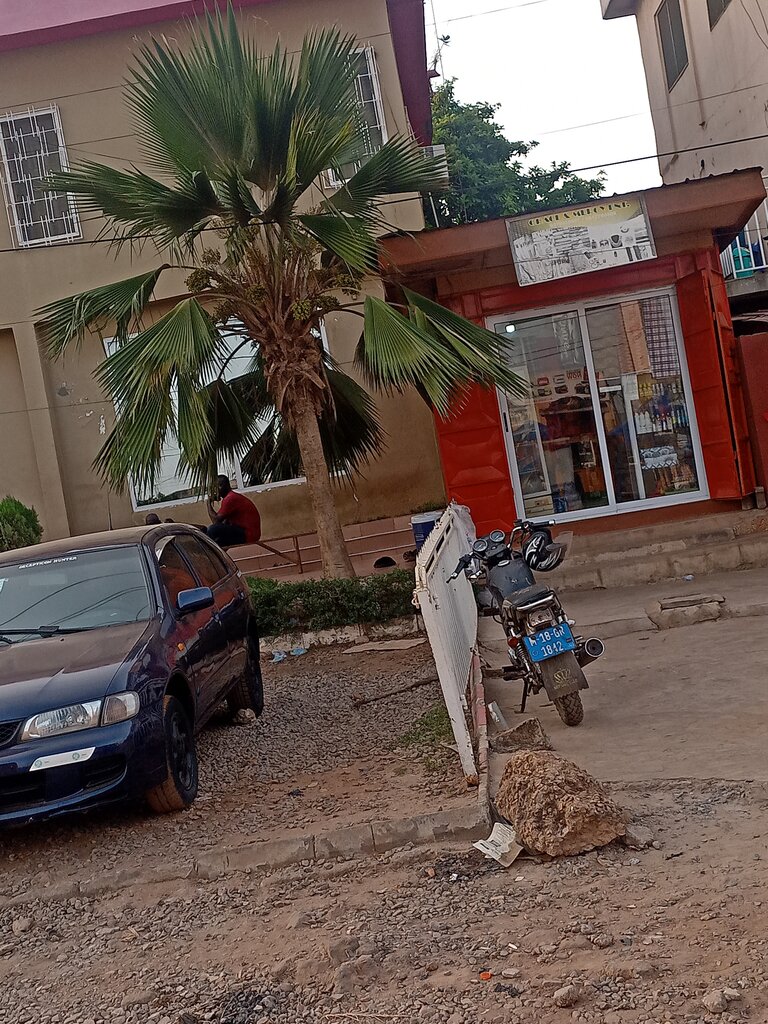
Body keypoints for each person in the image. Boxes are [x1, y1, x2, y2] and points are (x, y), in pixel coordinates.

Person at [206, 474, 261, 549]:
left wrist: (208, 502)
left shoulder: (230, 498)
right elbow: (220, 522)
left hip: (248, 534)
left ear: (221, 486)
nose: (215, 492)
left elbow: (216, 521)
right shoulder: (230, 497)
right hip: (248, 533)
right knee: (219, 541)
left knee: (212, 529)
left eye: (215, 488)